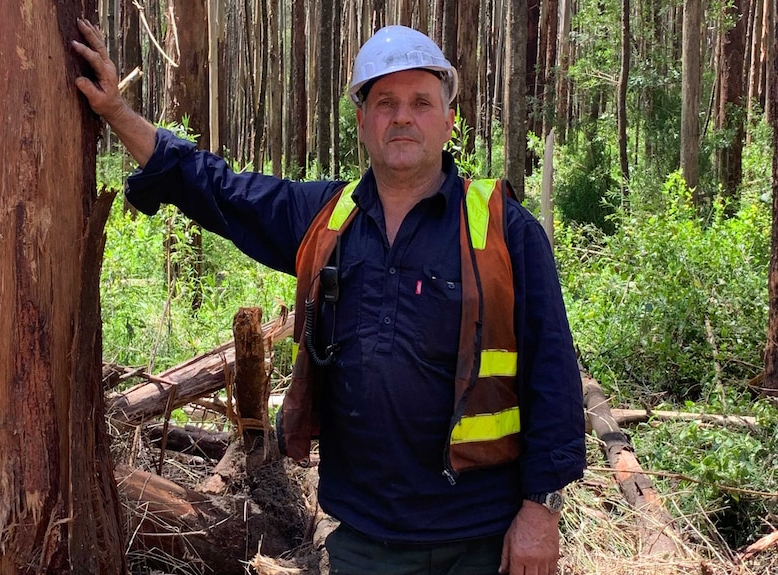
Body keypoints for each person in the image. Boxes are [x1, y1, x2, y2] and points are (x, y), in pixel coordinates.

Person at [73, 18, 586, 575]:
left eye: (420, 101)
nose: (403, 117)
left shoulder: (503, 230)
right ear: (362, 121)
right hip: (363, 538)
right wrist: (118, 114)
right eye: (385, 103)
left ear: (449, 120)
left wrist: (541, 512)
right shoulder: (326, 219)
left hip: (482, 536)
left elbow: (553, 375)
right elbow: (217, 188)